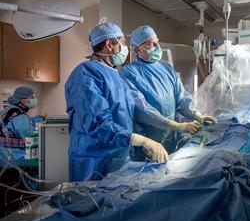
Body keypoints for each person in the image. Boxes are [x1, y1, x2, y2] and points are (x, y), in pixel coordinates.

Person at [65, 22, 197, 182]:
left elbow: (130, 117)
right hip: (94, 160)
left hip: (120, 157)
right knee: (91, 204)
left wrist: (142, 143)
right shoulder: (86, 74)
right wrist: (140, 140)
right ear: (109, 44)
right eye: (123, 42)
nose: (125, 47)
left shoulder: (116, 76)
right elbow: (97, 123)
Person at [120, 25, 217, 153]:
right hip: (148, 142)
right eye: (151, 44)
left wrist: (198, 116)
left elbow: (182, 97)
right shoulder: (128, 73)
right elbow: (143, 110)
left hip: (171, 136)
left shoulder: (167, 69)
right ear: (138, 49)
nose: (157, 47)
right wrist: (176, 126)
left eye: (157, 42)